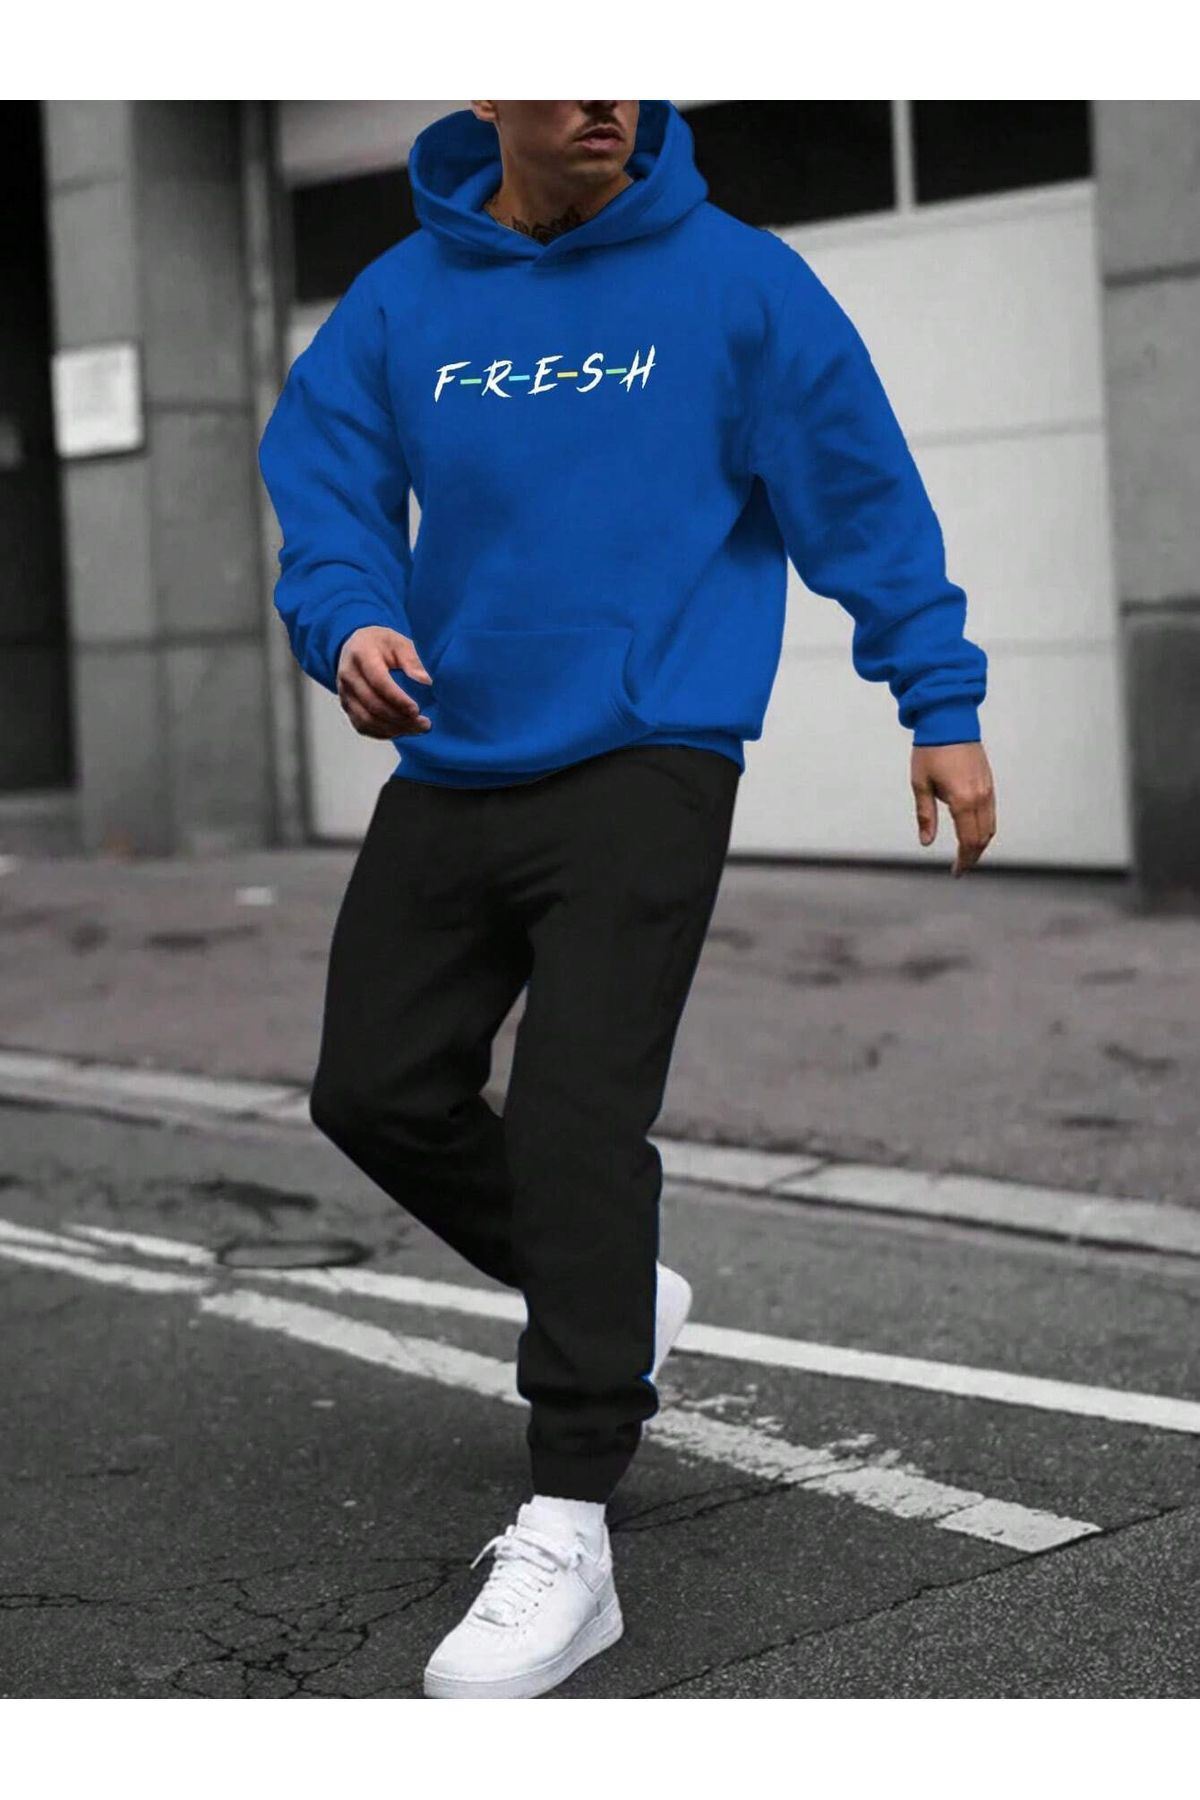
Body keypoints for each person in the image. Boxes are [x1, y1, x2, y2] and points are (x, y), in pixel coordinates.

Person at [258, 98, 996, 1701]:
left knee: (577, 1120)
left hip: (652, 750)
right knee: (373, 1088)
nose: (606, 97)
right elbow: (327, 486)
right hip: (455, 751)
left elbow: (857, 490)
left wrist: (936, 699)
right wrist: (350, 622)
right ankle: (612, 1285)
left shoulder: (736, 282)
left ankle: (572, 1525)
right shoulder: (403, 297)